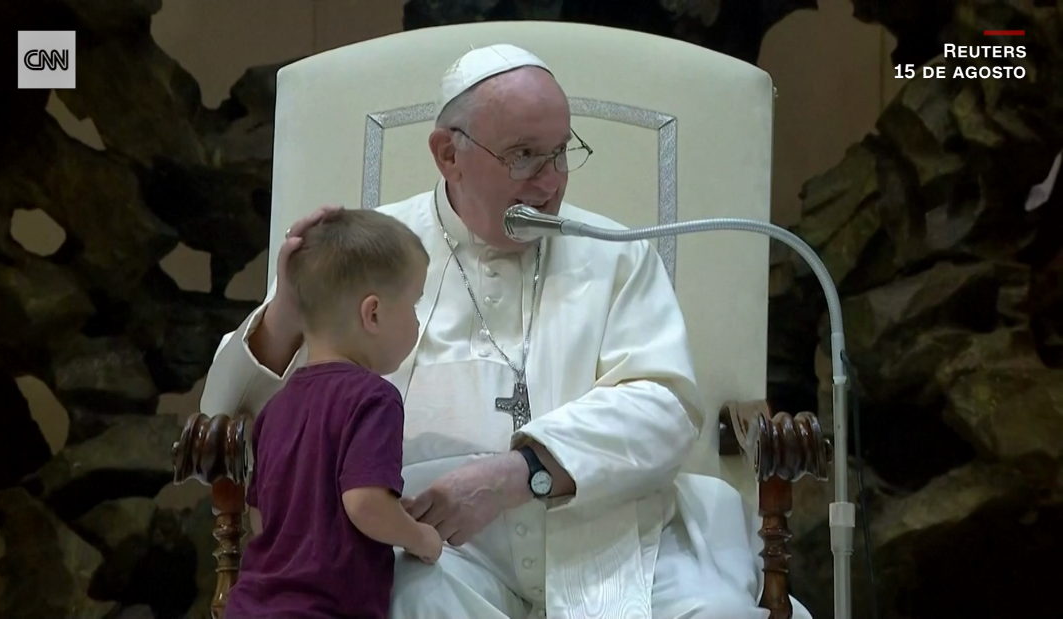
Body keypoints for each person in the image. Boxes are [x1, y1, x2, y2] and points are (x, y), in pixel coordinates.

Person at [202, 44, 812, 618]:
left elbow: (665, 406)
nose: (550, 184)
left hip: (608, 536)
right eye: (523, 155)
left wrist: (522, 473)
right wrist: (285, 308)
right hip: (439, 549)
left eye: (560, 152)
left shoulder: (615, 252)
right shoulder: (372, 250)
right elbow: (232, 414)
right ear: (448, 154)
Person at [222, 211, 444, 619]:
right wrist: (420, 538)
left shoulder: (276, 406)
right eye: (414, 304)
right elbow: (363, 504)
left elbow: (260, 516)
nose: (417, 320)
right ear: (373, 314)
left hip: (251, 605)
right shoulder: (375, 398)